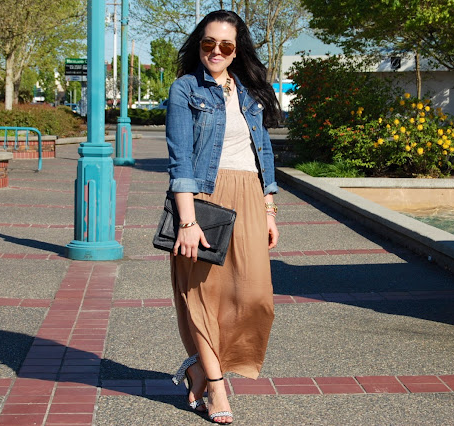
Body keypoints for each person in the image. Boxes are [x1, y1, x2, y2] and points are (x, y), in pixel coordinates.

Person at [166, 9, 281, 425]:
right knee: (204, 297)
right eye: (208, 43)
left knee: (254, 297)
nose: (216, 51)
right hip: (203, 197)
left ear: (237, 51)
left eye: (225, 45)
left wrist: (269, 208)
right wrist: (187, 221)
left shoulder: (250, 91)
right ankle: (215, 386)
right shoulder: (185, 90)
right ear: (200, 46)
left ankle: (197, 366)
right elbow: (180, 159)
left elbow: (262, 151)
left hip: (250, 195)